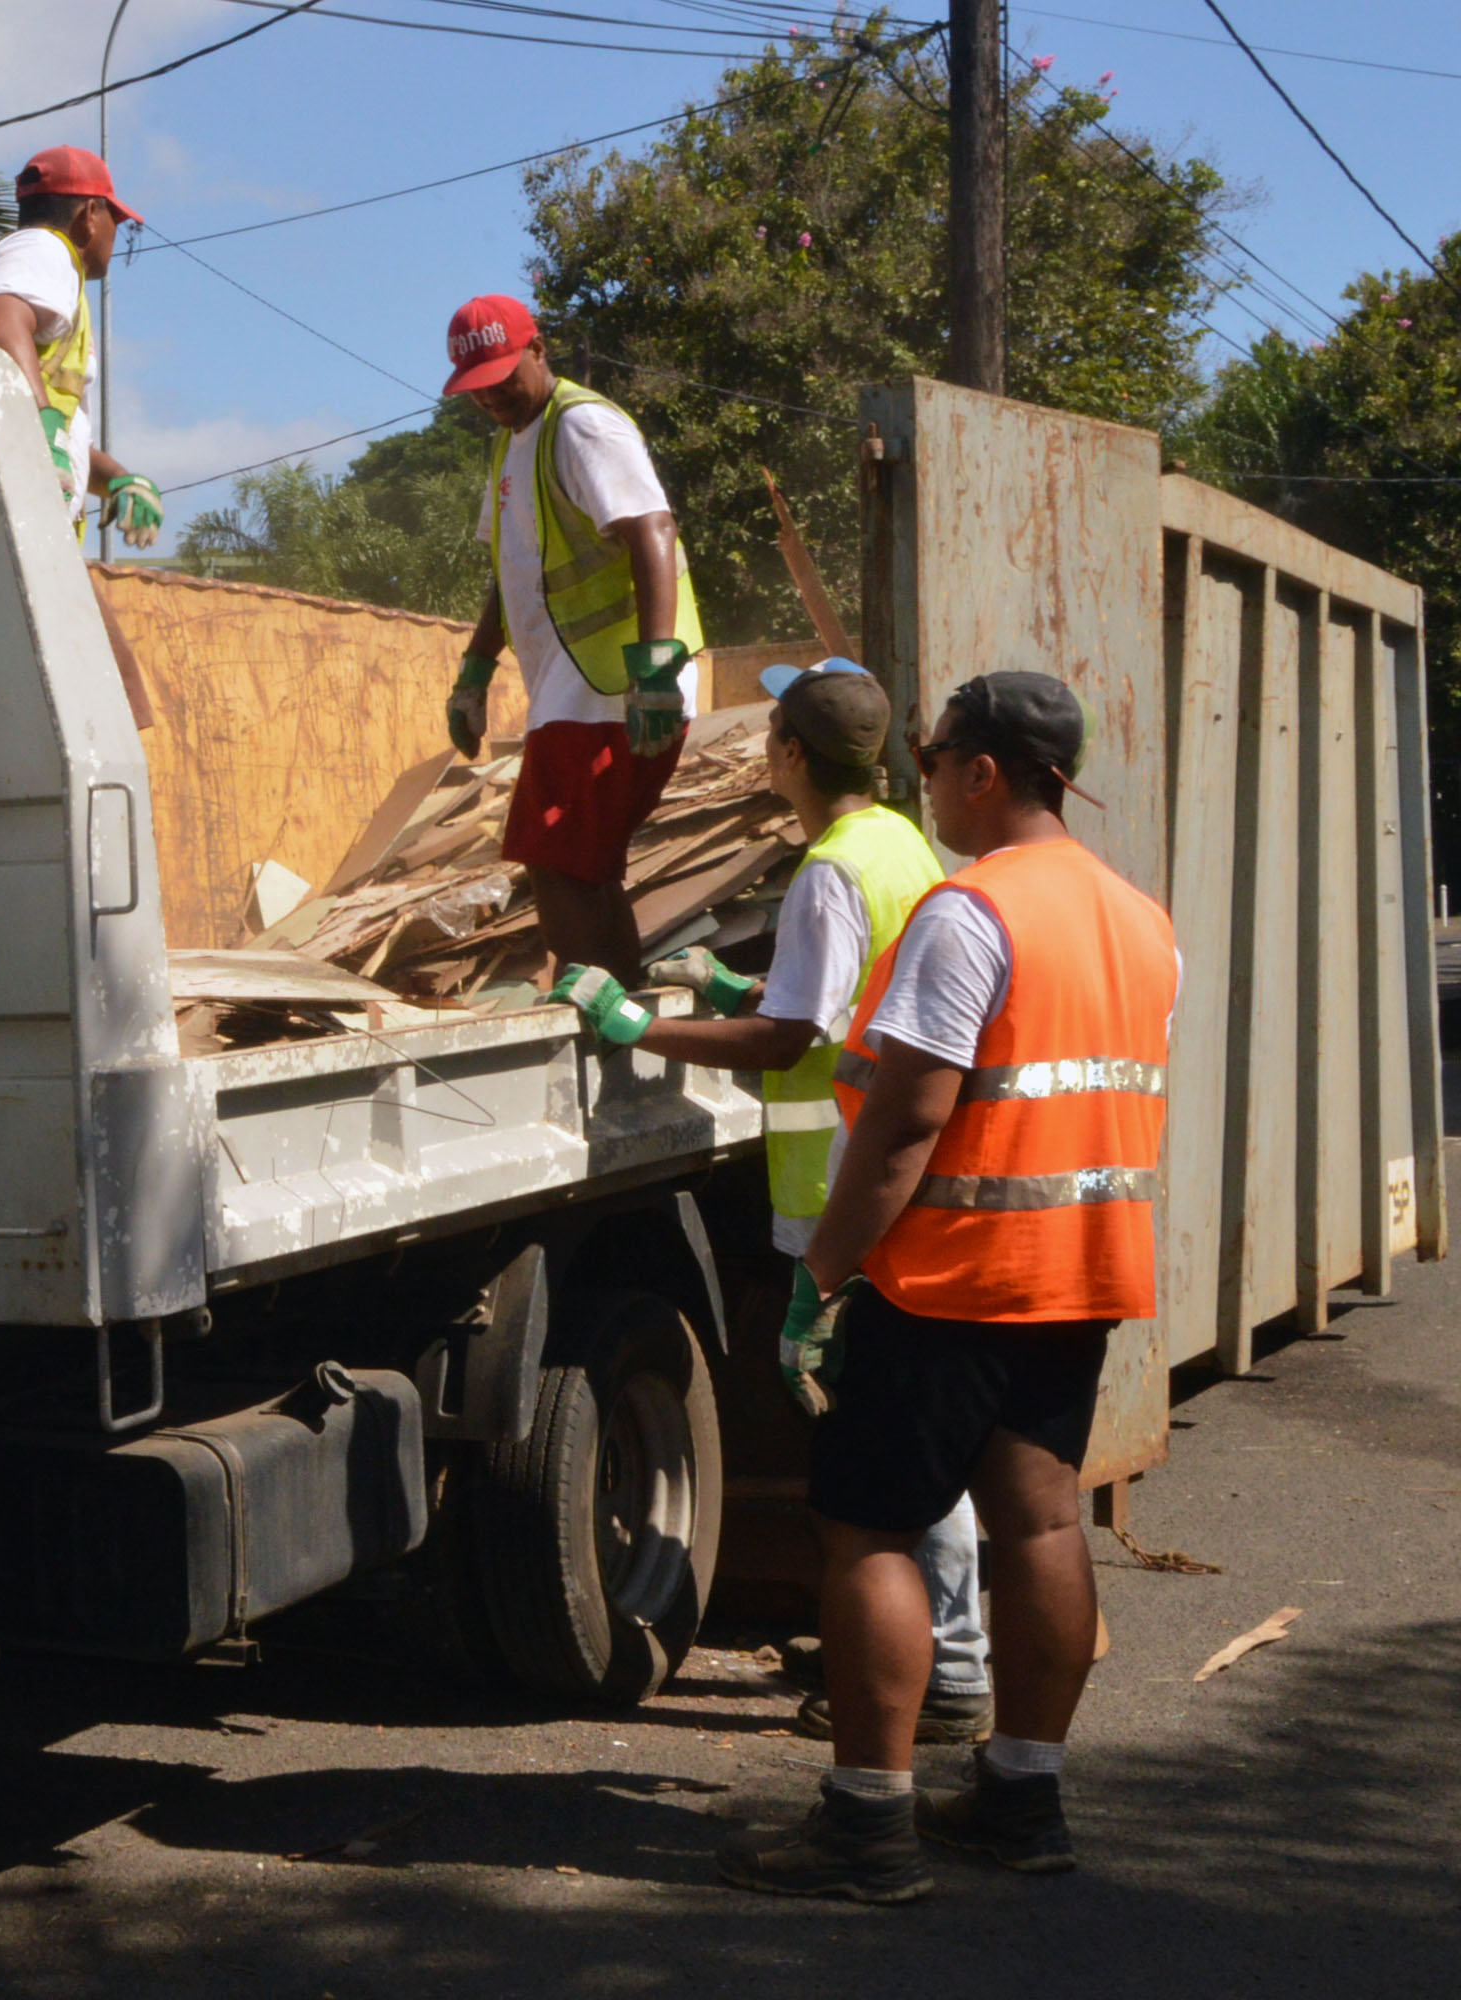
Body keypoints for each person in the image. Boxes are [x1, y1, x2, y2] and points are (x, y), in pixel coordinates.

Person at [717, 671, 1178, 1904]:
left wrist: (821, 1276)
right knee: (1036, 1521)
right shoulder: (1139, 917)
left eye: (931, 760)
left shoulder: (970, 911)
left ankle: (866, 1824)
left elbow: (908, 1125)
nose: (922, 779)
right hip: (1077, 1270)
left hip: (950, 1275)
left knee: (865, 1525)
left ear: (981, 770)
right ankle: (1021, 1794)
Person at [551, 663, 994, 1749]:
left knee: (885, 1448)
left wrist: (632, 1023)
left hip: (844, 1185)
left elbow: (793, 1042)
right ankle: (923, 1644)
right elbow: (841, 1004)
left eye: (772, 735)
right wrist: (738, 987)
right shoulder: (895, 843)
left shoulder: (828, 873)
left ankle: (944, 1670)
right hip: (883, 1181)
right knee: (904, 1438)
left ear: (789, 753)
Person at [443, 295, 707, 980]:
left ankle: (600, 1011)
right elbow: (510, 571)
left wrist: (654, 670)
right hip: (576, 686)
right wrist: (476, 667)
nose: (492, 395)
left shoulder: (582, 426)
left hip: (613, 687)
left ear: (539, 350)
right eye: (477, 386)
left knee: (558, 858)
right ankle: (614, 1007)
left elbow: (653, 530)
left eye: (504, 374)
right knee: (572, 866)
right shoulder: (509, 446)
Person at [0, 146, 166, 553]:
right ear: (90, 215)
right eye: (117, 219)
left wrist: (116, 478)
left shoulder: (37, 262)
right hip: (7, 522)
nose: (117, 234)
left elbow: (59, 432)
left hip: (2, 513)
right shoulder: (43, 249)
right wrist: (42, 433)